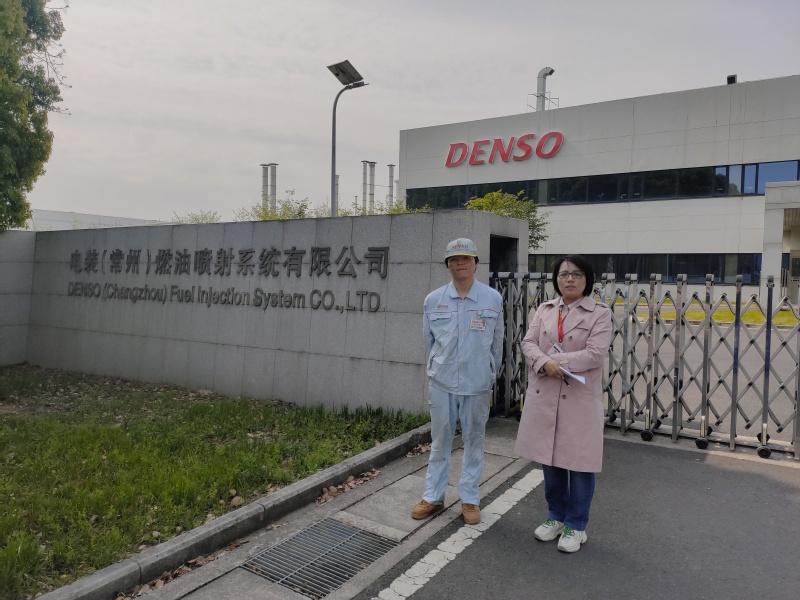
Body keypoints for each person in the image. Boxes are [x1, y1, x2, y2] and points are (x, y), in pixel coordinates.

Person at [514, 254, 612, 553]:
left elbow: (595, 354)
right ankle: (556, 516)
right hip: (546, 394)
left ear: (587, 279)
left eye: (576, 274)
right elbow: (528, 342)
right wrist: (544, 363)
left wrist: (556, 361)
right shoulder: (545, 309)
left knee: (579, 464)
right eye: (563, 274)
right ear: (556, 279)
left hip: (578, 399)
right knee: (550, 459)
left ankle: (576, 525)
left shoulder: (599, 313)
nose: (569, 279)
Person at [411, 238, 504, 525]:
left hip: (477, 382)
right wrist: (440, 366)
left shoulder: (492, 299)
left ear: (475, 263)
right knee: (440, 441)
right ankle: (433, 495)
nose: (460, 263)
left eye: (465, 258)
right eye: (454, 259)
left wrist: (489, 373)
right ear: (448, 265)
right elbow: (429, 341)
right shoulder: (433, 300)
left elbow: (497, 343)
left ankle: (469, 498)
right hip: (442, 381)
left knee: (474, 440)